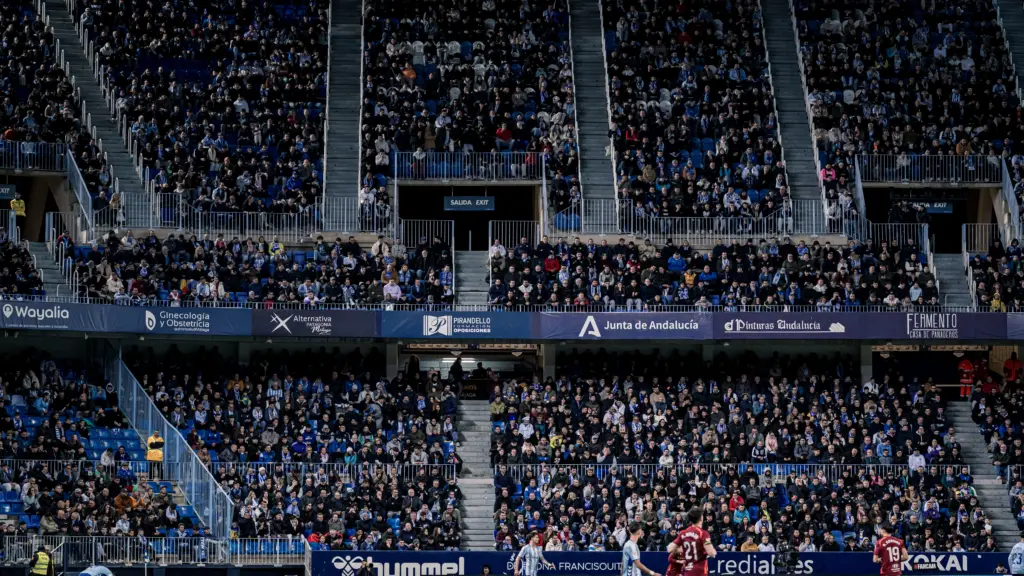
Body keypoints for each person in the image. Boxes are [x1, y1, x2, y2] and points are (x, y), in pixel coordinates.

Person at [667, 507, 717, 576]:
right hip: (700, 571)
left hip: (688, 571)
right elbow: (711, 552)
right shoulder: (703, 533)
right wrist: (713, 551)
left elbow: (670, 549)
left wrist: (683, 549)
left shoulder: (683, 533)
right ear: (701, 518)